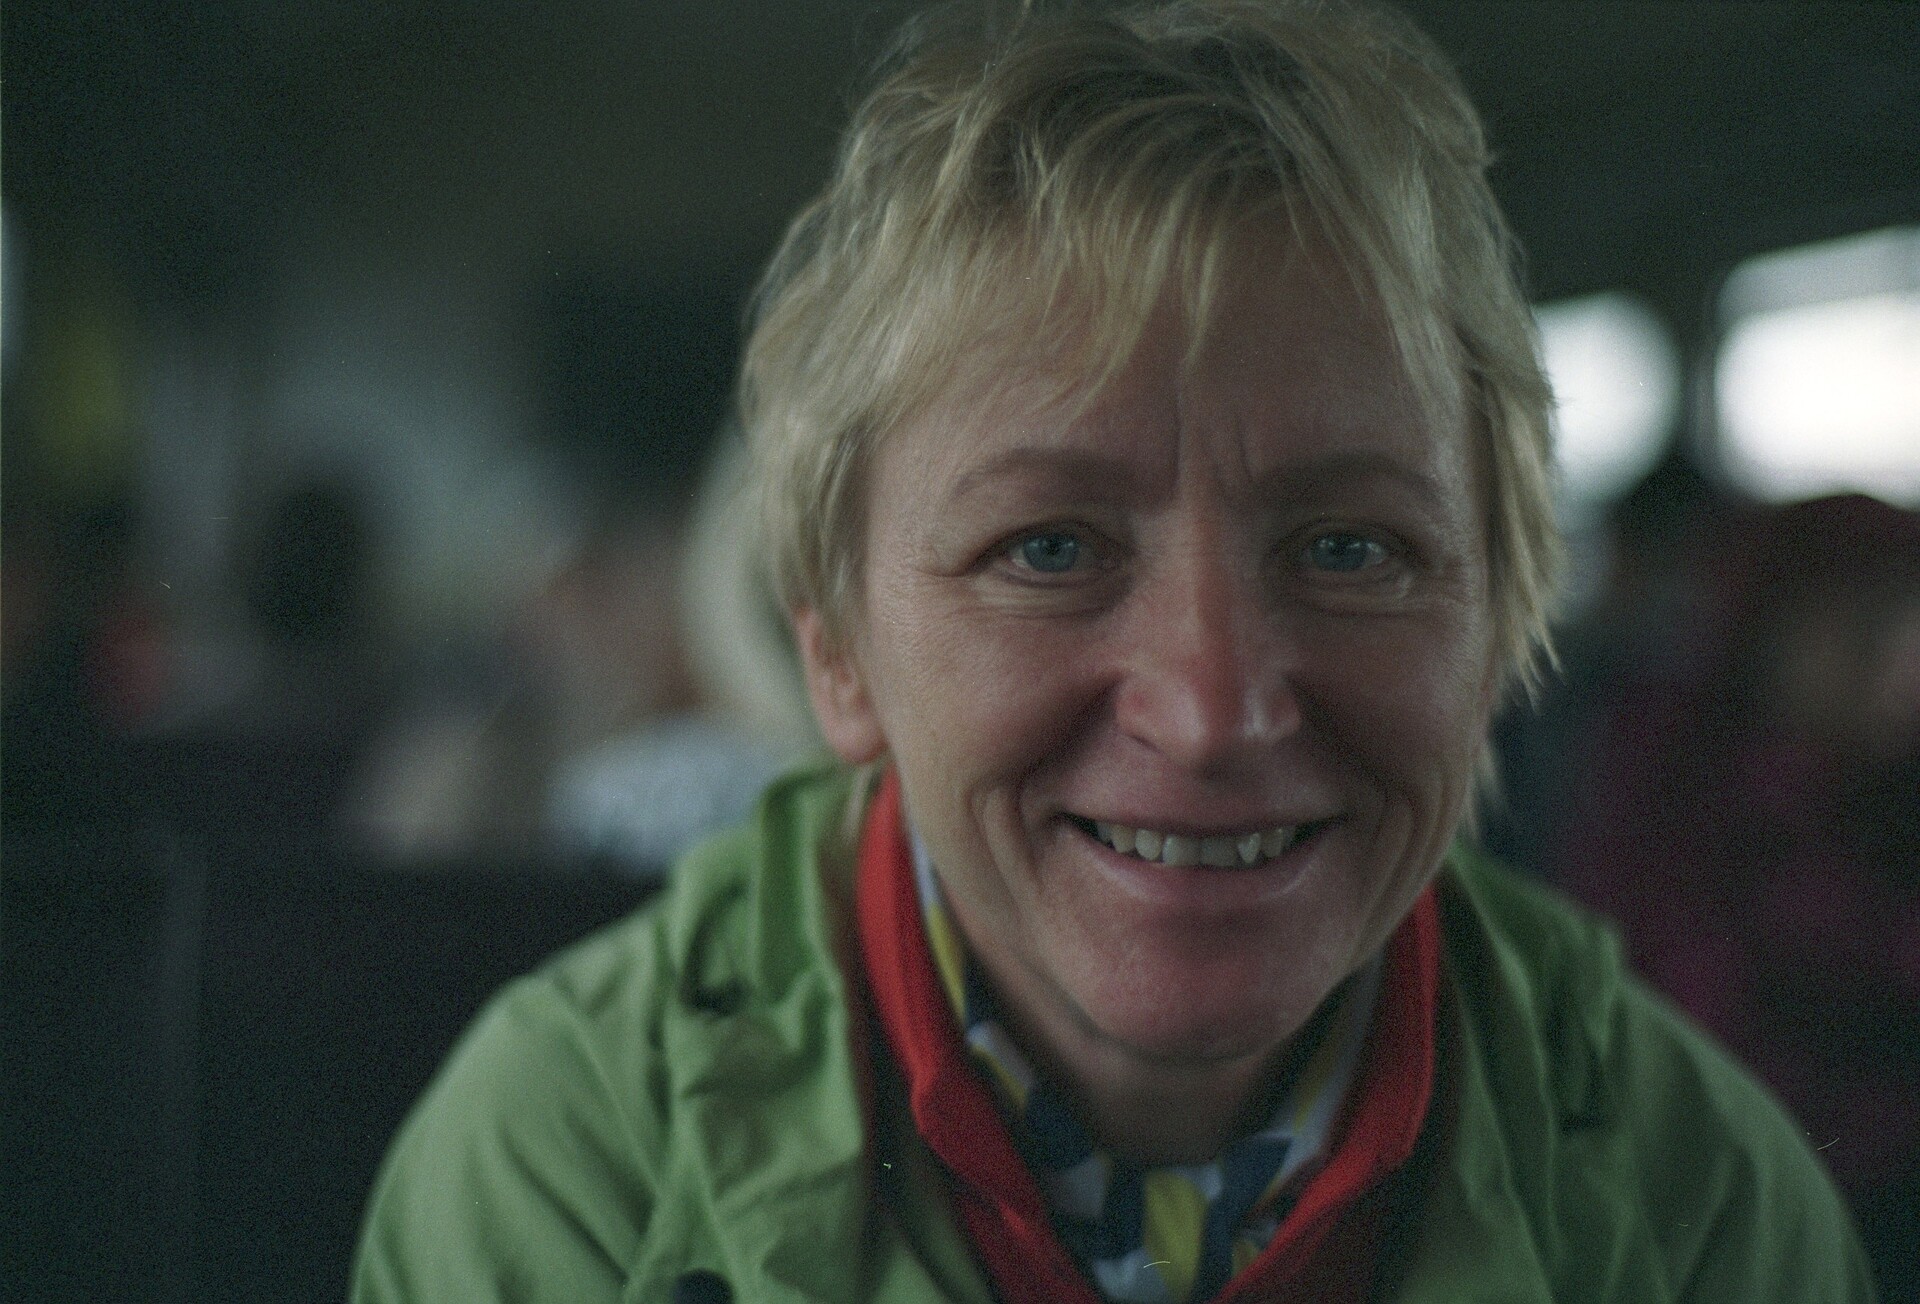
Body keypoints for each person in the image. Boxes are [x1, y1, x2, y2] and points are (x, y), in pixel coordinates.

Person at [352, 2, 1877, 1300]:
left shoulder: (1702, 1203)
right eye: (1048, 550)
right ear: (838, 652)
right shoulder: (572, 1177)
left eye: (1351, 551)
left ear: (1499, 630)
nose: (1213, 709)